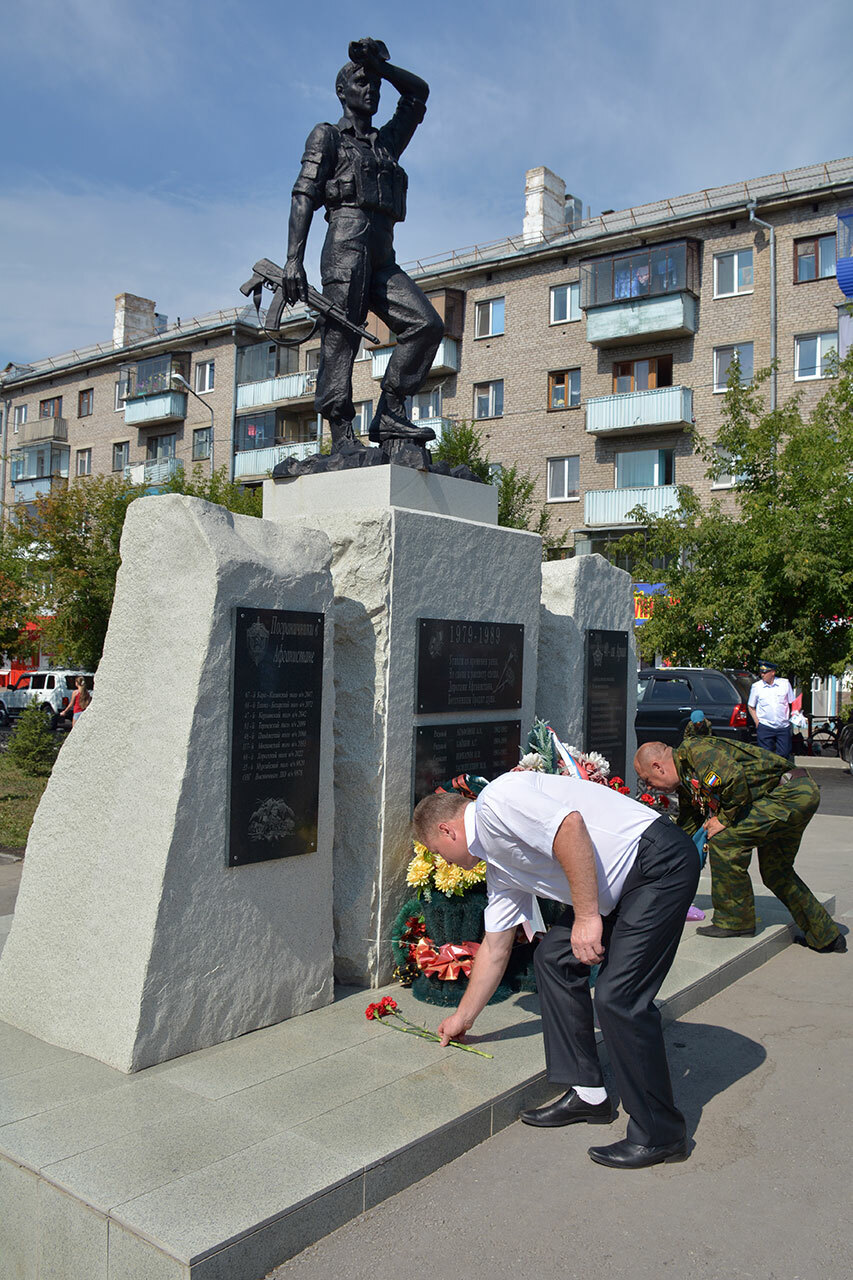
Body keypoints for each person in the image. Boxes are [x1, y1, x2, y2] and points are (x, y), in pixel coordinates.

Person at [413, 770, 700, 1169]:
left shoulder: (498, 801)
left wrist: (585, 917)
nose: (453, 866)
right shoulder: (500, 868)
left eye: (443, 856)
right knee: (551, 957)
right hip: (618, 889)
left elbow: (570, 827)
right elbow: (496, 948)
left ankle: (661, 1134)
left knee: (619, 997)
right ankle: (588, 1093)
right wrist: (463, 1017)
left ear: (448, 831)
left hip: (657, 865)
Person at [282, 37, 443, 452]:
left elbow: (418, 93)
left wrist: (380, 66)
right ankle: (341, 435)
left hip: (383, 254)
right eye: (361, 81)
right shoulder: (328, 136)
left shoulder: (387, 142)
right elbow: (304, 196)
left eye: (375, 84)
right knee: (342, 337)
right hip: (345, 246)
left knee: (426, 324)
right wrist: (292, 261)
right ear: (342, 92)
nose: (370, 88)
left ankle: (390, 411)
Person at [635, 728, 845, 953]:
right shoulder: (686, 781)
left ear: (658, 766)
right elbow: (688, 825)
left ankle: (735, 921)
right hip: (787, 796)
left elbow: (733, 780)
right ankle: (825, 936)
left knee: (725, 839)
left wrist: (723, 819)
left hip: (790, 793)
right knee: (776, 872)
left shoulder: (694, 751)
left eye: (647, 780)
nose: (649, 787)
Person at [748, 660, 795, 759]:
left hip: (783, 726)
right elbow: (751, 706)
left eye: (765, 672)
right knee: (765, 756)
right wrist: (757, 722)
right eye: (761, 672)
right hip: (765, 726)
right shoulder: (757, 687)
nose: (762, 675)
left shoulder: (784, 684)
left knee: (784, 754)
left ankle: (781, 773)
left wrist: (794, 716)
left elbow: (792, 703)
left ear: (772, 672)